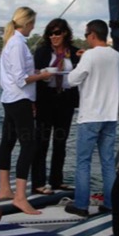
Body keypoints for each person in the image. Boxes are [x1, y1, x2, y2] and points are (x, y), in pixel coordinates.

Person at [0, 6, 52, 214]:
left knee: (8, 142)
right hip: (19, 99)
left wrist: (35, 72)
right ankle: (20, 197)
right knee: (28, 145)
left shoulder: (11, 42)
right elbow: (21, 79)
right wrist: (43, 76)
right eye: (33, 23)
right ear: (28, 23)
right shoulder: (18, 44)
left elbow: (16, 73)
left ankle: (4, 188)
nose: (34, 27)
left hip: (9, 98)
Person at [64, 19, 119, 218]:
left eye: (87, 34)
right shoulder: (116, 56)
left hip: (90, 116)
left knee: (83, 161)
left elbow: (72, 80)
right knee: (107, 162)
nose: (86, 38)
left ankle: (81, 205)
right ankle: (111, 203)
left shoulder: (89, 55)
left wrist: (79, 60)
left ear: (92, 35)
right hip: (110, 115)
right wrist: (85, 57)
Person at [32, 18, 80, 194]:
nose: (54, 36)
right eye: (50, 33)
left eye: (57, 32)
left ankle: (56, 180)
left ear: (65, 33)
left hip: (65, 100)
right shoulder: (43, 52)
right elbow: (33, 75)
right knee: (41, 142)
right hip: (46, 99)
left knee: (61, 142)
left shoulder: (74, 53)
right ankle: (38, 182)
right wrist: (33, 102)